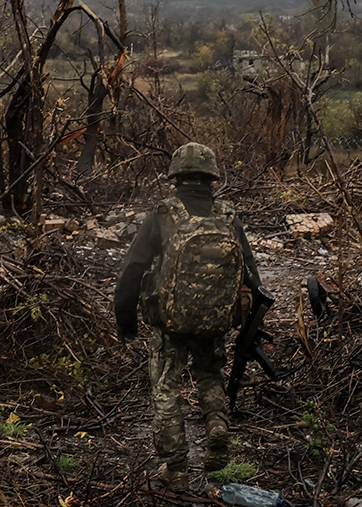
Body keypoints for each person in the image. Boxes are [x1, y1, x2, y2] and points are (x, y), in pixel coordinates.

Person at [114, 142, 262, 492]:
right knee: (210, 375)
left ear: (176, 177)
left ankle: (176, 468)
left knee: (166, 388)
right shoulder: (228, 216)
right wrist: (250, 322)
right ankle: (217, 426)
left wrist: (126, 322)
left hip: (169, 323)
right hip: (214, 321)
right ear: (211, 177)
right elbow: (252, 276)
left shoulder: (163, 214)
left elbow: (133, 269)